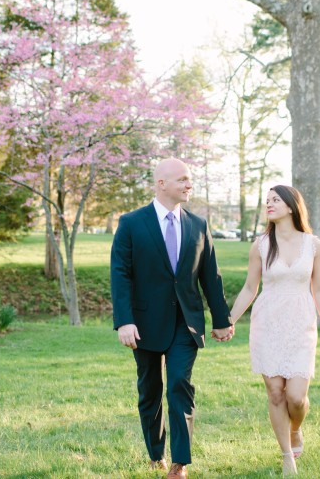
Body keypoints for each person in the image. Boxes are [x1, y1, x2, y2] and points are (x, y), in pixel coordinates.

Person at [111, 158, 235, 479]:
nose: (188, 185)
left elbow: (211, 277)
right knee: (150, 390)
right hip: (144, 324)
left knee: (180, 383)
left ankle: (180, 463)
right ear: (161, 184)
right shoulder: (131, 223)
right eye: (182, 179)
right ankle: (156, 453)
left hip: (186, 323)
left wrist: (221, 320)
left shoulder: (198, 225)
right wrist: (124, 321)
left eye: (189, 179)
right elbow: (120, 275)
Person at [228, 185, 320, 476]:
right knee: (276, 393)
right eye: (267, 201)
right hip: (268, 322)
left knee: (296, 397)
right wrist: (230, 320)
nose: (269, 205)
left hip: (301, 323)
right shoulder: (261, 244)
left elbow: (319, 288)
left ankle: (295, 429)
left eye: (275, 200)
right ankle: (287, 455)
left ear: (291, 206)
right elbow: (250, 287)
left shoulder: (313, 245)